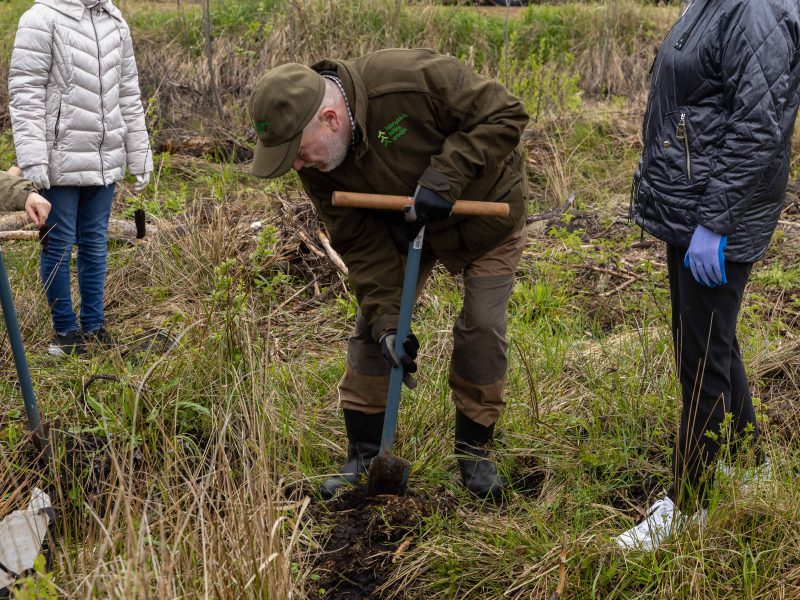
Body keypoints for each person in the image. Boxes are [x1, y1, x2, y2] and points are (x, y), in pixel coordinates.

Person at [248, 49, 529, 500]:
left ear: (330, 120)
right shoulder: (318, 165)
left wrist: (444, 177)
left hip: (484, 217)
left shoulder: (410, 81)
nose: (297, 167)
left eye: (298, 153)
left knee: (481, 325)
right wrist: (387, 325)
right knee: (371, 330)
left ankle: (474, 454)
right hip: (401, 224)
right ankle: (363, 452)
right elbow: (359, 243)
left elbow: (505, 114)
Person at [617, 0, 800, 550]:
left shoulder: (757, 10)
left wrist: (716, 221)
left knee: (701, 362)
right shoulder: (712, 3)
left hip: (717, 212)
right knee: (708, 341)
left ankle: (690, 502)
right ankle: (749, 462)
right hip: (692, 206)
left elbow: (757, 127)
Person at [8, 0, 153, 356]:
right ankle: (65, 335)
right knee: (57, 244)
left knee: (95, 243)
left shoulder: (114, 20)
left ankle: (94, 327)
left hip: (104, 158)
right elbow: (25, 94)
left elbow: (129, 93)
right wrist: (33, 160)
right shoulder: (41, 19)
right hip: (60, 158)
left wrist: (139, 153)